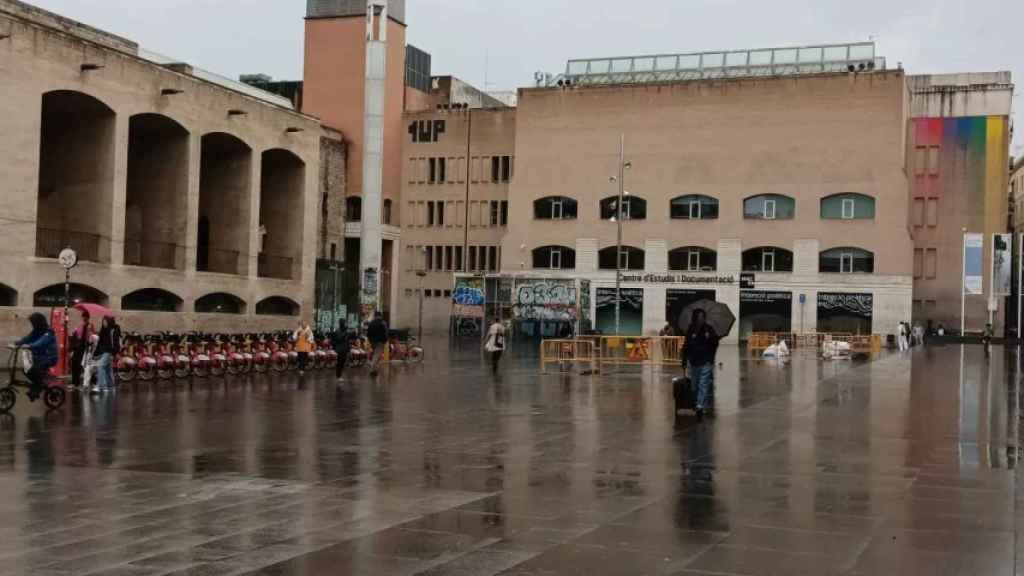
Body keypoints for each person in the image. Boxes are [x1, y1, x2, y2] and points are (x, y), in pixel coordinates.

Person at [681, 309, 719, 419]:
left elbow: (715, 343)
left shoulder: (709, 329)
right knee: (695, 386)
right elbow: (686, 346)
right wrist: (684, 360)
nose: (701, 318)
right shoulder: (691, 329)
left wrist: (710, 337)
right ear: (695, 317)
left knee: (703, 383)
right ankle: (699, 403)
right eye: (699, 316)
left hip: (706, 361)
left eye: (703, 316)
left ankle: (700, 405)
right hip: (694, 361)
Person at [14, 313, 58, 401]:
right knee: (26, 370)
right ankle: (39, 383)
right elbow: (28, 338)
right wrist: (17, 343)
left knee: (35, 370)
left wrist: (30, 346)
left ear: (39, 322)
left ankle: (36, 389)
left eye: (34, 323)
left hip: (49, 358)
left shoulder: (48, 332)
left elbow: (42, 342)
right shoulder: (37, 331)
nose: (33, 325)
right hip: (38, 357)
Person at [93, 316, 121, 392]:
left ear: (108, 322)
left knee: (100, 366)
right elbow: (99, 343)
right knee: (108, 369)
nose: (104, 323)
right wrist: (95, 354)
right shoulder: (103, 331)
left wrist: (114, 353)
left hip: (109, 351)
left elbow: (116, 342)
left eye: (105, 321)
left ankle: (101, 386)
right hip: (104, 352)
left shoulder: (112, 330)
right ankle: (110, 386)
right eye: (103, 321)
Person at [70, 311, 94, 390]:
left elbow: (92, 337)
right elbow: (76, 335)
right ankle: (74, 383)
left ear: (88, 318)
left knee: (84, 366)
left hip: (86, 348)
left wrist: (90, 331)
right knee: (74, 364)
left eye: (85, 317)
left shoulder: (90, 325)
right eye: (83, 317)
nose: (84, 318)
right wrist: (75, 332)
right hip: (78, 348)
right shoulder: (80, 326)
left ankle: (89, 383)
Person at [366, 312, 389, 376]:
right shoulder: (383, 322)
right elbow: (386, 332)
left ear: (375, 316)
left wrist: (370, 340)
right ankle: (372, 369)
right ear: (380, 316)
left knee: (376, 355)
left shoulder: (371, 323)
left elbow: (368, 333)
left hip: (373, 342)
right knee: (376, 355)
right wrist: (385, 340)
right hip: (380, 342)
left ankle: (375, 370)